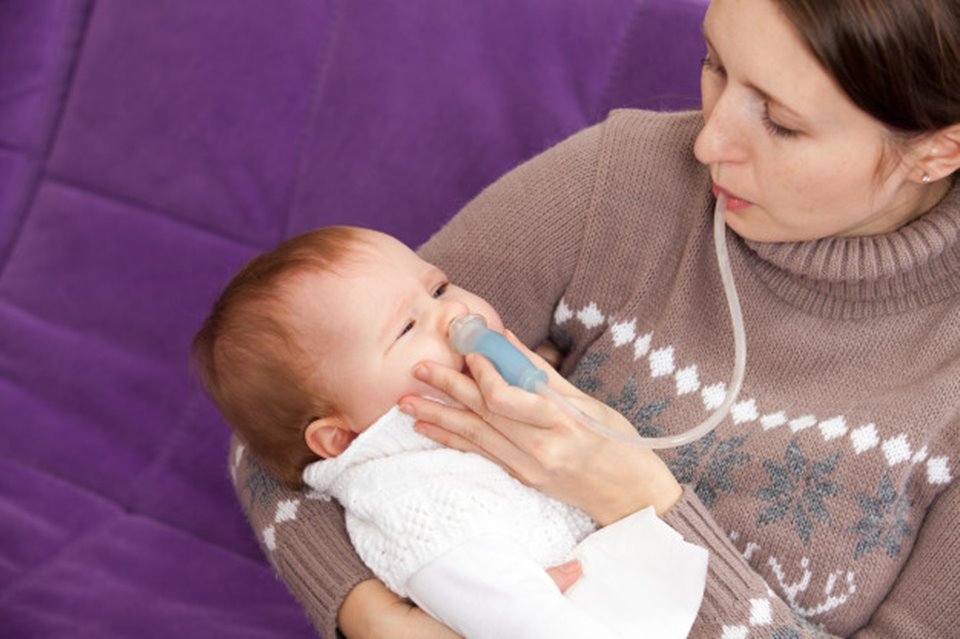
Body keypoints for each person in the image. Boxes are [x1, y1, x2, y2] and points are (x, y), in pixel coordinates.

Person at [231, 0, 960, 636]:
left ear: (938, 149)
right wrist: (365, 611)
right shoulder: (619, 184)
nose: (707, 143)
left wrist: (639, 502)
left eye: (779, 122)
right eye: (714, 63)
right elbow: (291, 407)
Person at [192, 226, 708, 639]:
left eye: (438, 287)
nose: (454, 313)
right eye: (407, 329)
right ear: (341, 438)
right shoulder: (420, 509)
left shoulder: (469, 415)